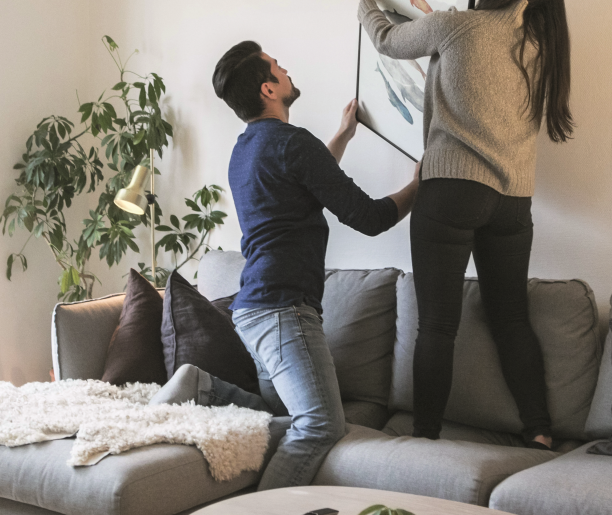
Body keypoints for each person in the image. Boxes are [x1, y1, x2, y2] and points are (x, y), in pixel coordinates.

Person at [149, 41, 419, 490]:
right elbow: (370, 218)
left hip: (253, 309)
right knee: (319, 426)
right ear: (269, 88)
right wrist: (419, 186)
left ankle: (202, 387)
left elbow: (308, 180)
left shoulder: (246, 150)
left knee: (279, 420)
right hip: (284, 309)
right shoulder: (293, 144)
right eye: (278, 66)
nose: (287, 69)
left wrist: (344, 135)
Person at [352, 0, 574, 448]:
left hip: (452, 190)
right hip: (514, 201)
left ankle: (425, 437)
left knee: (437, 325)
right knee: (512, 318)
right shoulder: (543, 50)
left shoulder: (458, 26)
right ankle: (539, 431)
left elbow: (386, 39)